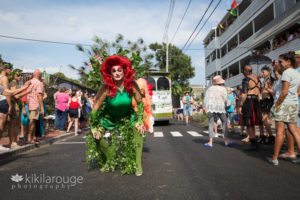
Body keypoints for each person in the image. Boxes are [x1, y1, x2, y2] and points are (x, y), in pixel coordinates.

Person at [86, 55, 151, 176]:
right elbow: (95, 108)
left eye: (119, 70)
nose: (117, 73)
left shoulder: (131, 85)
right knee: (96, 136)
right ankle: (110, 158)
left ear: (124, 71)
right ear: (110, 73)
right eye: (114, 71)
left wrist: (140, 121)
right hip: (108, 119)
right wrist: (94, 127)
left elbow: (140, 102)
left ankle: (137, 164)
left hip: (128, 117)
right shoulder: (106, 88)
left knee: (139, 131)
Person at [269, 52, 300, 165]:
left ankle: (274, 158)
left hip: (283, 105)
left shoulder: (286, 73)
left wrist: (276, 105)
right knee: (294, 131)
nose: (279, 64)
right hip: (293, 104)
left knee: (280, 132)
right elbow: (298, 91)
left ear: (288, 61)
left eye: (281, 61)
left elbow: (284, 92)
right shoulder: (297, 73)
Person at [203, 75, 233, 147]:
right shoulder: (223, 89)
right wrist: (228, 104)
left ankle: (210, 142)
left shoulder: (209, 89)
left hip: (211, 108)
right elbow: (225, 99)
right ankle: (226, 141)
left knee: (211, 124)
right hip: (220, 107)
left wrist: (204, 107)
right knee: (224, 122)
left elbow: (205, 99)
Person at [238, 65, 262, 151]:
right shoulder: (258, 80)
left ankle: (253, 143)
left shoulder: (246, 80)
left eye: (243, 71)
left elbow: (244, 94)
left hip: (248, 102)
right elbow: (259, 93)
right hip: (256, 101)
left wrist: (240, 105)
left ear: (245, 71)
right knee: (252, 123)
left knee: (249, 123)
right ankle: (254, 142)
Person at [26, 69, 45, 145]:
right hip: (35, 104)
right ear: (39, 75)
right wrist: (42, 107)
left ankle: (33, 137)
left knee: (33, 121)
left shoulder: (29, 82)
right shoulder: (39, 83)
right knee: (32, 121)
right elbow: (39, 95)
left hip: (29, 103)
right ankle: (29, 138)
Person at [258, 66, 275, 144]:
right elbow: (262, 91)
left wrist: (266, 88)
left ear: (269, 72)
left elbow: (273, 92)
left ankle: (270, 136)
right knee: (266, 120)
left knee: (264, 119)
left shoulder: (271, 80)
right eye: (262, 72)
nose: (262, 73)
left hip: (268, 101)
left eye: (263, 72)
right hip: (263, 101)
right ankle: (269, 136)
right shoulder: (264, 80)